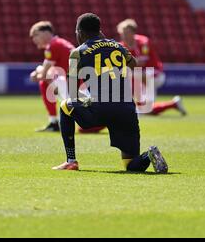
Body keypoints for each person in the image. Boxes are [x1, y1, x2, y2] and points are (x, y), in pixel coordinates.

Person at [52, 13, 168, 173]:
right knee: (131, 165)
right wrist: (105, 42)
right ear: (99, 31)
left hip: (100, 110)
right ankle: (148, 155)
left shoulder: (77, 53)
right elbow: (134, 65)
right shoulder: (118, 46)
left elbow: (72, 91)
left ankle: (71, 161)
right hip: (126, 110)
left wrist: (86, 98)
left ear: (79, 32)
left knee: (65, 106)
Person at [117, 19, 187, 116]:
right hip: (141, 78)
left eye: (127, 33)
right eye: (122, 33)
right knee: (145, 110)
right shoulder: (120, 46)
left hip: (154, 73)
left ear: (133, 32)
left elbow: (140, 62)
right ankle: (173, 104)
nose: (124, 36)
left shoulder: (143, 42)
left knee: (131, 75)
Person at [29, 21, 75, 132]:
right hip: (79, 86)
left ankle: (54, 122)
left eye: (36, 35)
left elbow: (43, 75)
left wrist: (35, 74)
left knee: (43, 81)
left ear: (46, 33)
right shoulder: (61, 43)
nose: (34, 39)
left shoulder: (53, 46)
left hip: (75, 89)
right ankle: (57, 120)